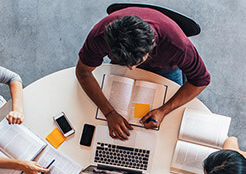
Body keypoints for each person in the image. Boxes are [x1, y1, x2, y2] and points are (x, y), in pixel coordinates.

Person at [76, 6, 211, 140]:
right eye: (128, 64)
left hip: (166, 69)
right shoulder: (100, 35)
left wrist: (163, 110)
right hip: (119, 65)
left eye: (136, 62)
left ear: (152, 43)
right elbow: (83, 72)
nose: (132, 69)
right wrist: (109, 112)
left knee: (168, 126)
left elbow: (201, 81)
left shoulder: (178, 46)